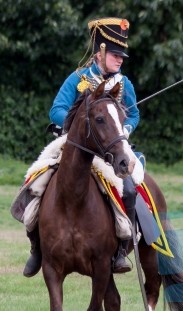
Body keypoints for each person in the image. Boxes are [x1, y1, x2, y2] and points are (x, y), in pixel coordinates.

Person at [23, 17, 140, 278]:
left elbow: (133, 115)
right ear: (100, 52)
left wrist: (125, 129)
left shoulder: (124, 84)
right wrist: (72, 126)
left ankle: (120, 251)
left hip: (111, 149)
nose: (120, 59)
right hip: (76, 145)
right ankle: (37, 249)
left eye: (122, 55)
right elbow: (57, 110)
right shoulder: (78, 79)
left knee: (129, 189)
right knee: (36, 182)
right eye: (115, 54)